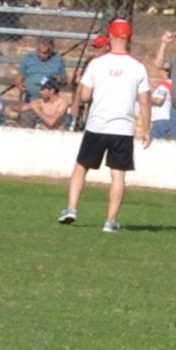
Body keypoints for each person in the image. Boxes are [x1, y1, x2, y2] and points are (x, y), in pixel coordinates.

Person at [59, 19, 151, 233]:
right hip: (123, 129)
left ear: (110, 36)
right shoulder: (138, 67)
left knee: (81, 167)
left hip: (97, 126)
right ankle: (110, 221)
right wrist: (147, 129)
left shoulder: (97, 63)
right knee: (118, 175)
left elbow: (84, 95)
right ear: (128, 38)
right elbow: (145, 101)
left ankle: (72, 208)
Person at [70, 34, 111, 128]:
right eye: (95, 47)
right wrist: (76, 102)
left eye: (99, 47)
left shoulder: (112, 62)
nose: (96, 50)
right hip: (91, 96)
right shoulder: (91, 61)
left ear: (107, 47)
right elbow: (82, 82)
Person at [16, 37, 67, 103]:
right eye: (39, 51)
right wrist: (20, 85)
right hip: (31, 96)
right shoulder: (28, 58)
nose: (41, 55)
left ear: (51, 51)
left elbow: (63, 79)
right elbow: (19, 79)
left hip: (49, 96)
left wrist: (59, 81)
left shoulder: (58, 59)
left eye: (45, 53)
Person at [150, 66, 173, 140]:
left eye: (161, 70)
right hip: (166, 118)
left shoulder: (163, 86)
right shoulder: (172, 84)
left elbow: (159, 101)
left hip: (160, 119)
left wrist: (145, 98)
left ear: (166, 73)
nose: (159, 73)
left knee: (157, 145)